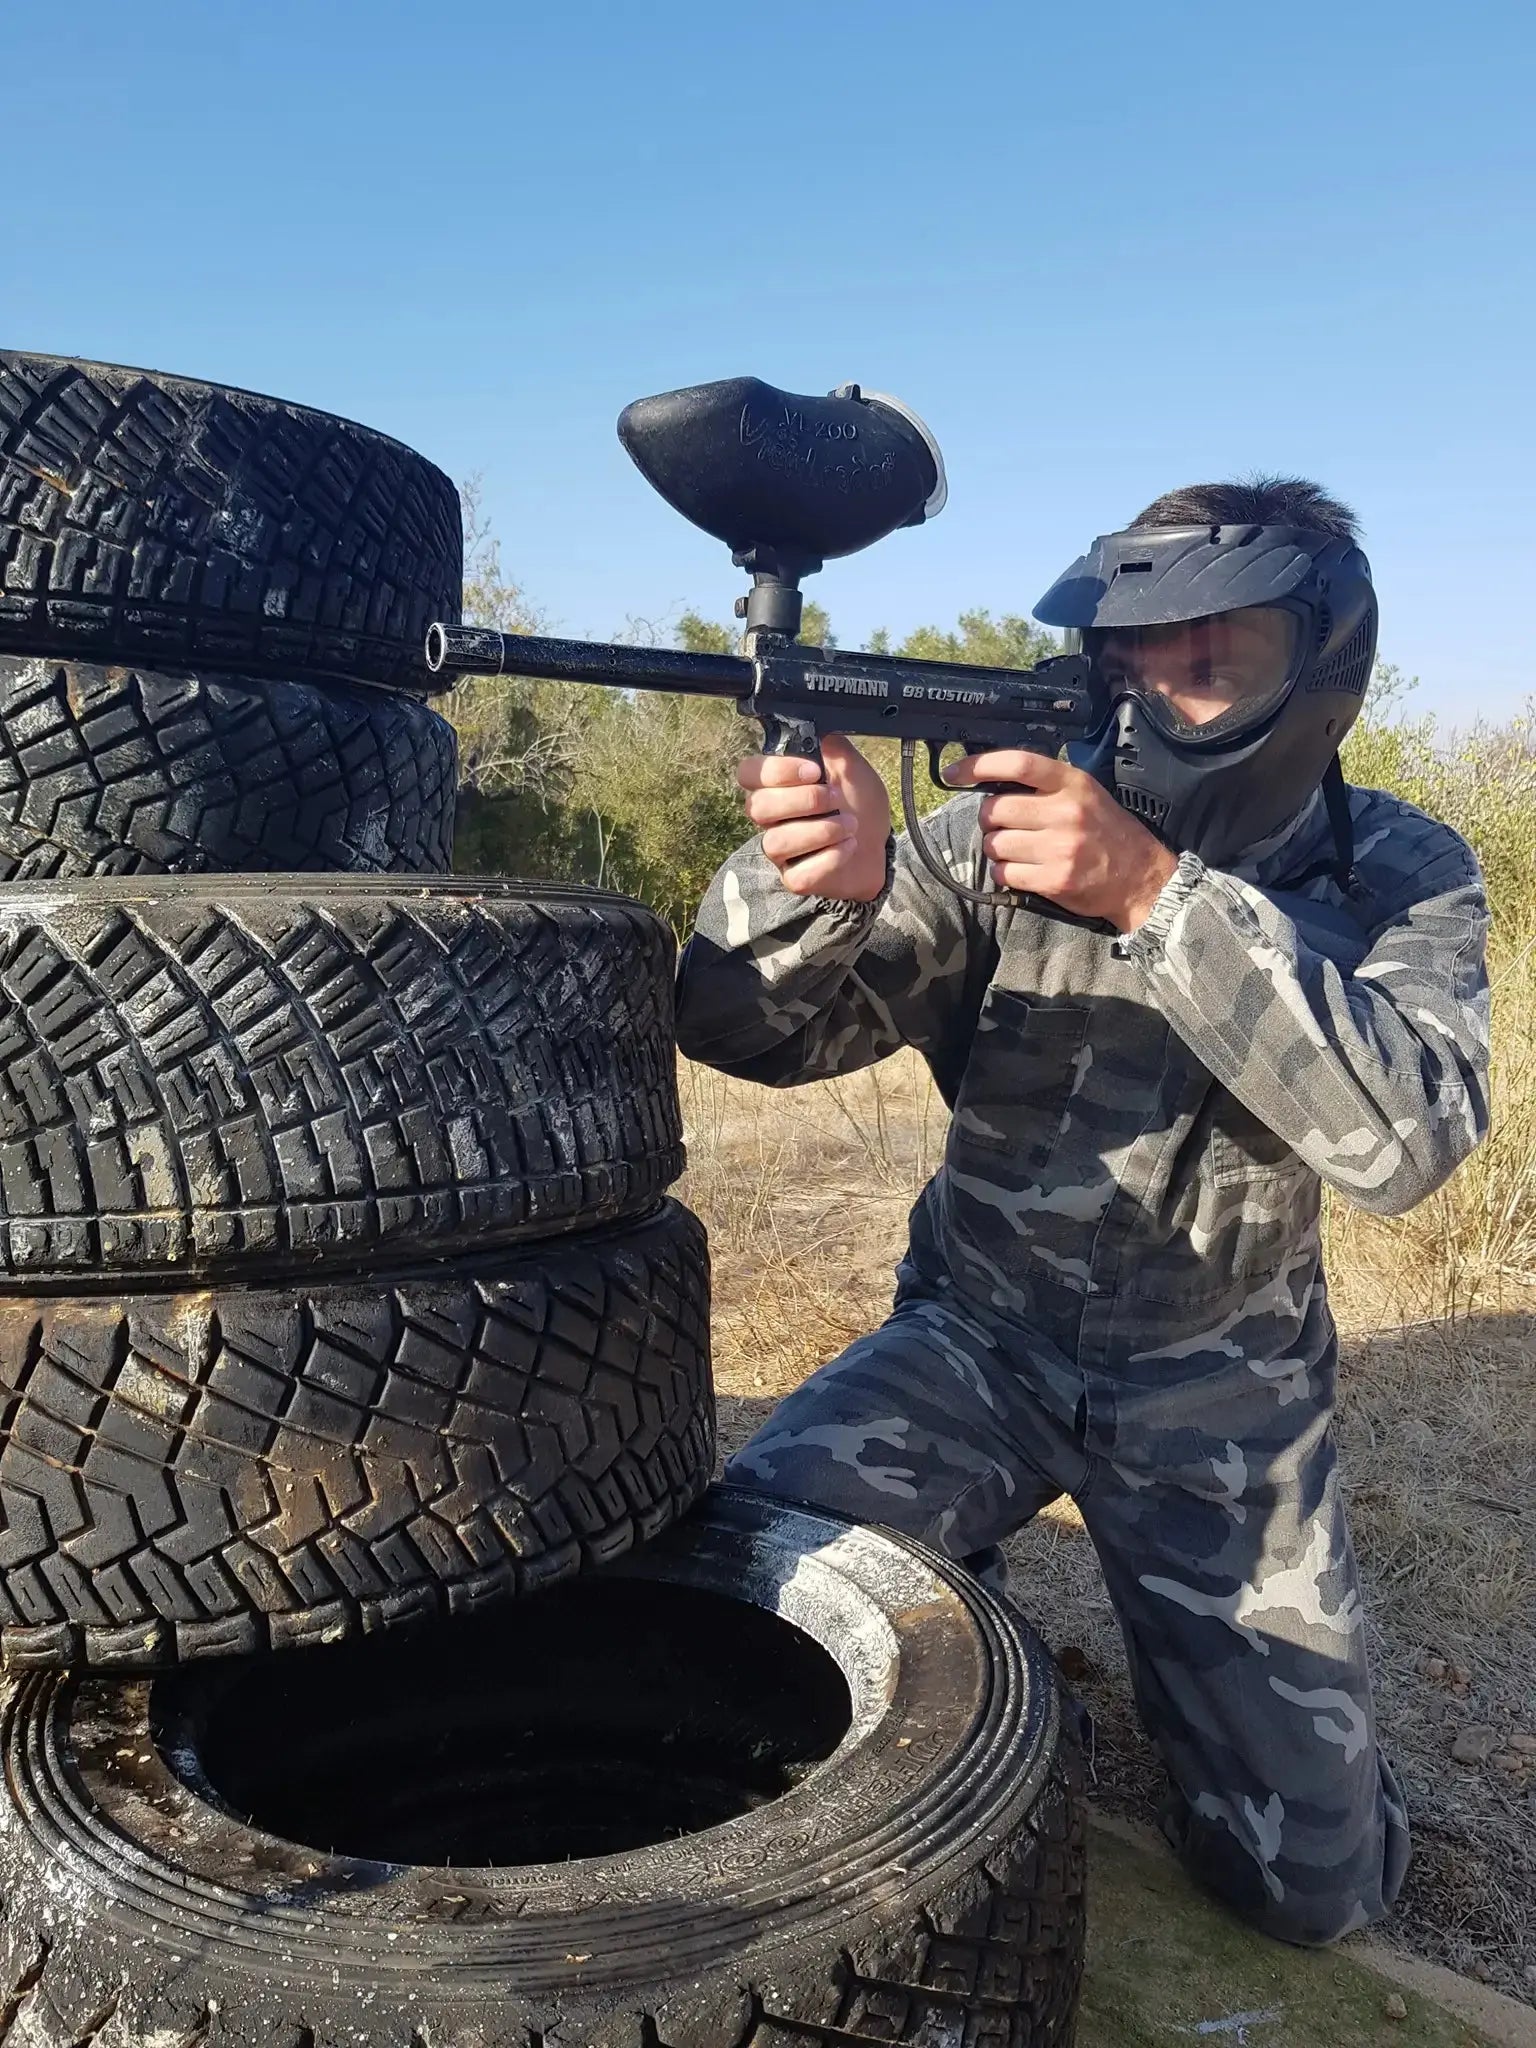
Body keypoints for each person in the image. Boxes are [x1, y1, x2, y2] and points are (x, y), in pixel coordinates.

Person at [674, 477, 1491, 1947]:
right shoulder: (993, 828)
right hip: (974, 1352)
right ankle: (964, 1631)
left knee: (1308, 1894)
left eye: (1212, 656)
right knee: (740, 1607)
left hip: (1221, 1395)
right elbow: (750, 1039)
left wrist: (1157, 897)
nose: (1159, 692)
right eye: (1134, 655)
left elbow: (1408, 1145)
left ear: (1322, 669)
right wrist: (822, 893)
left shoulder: (1400, 871)